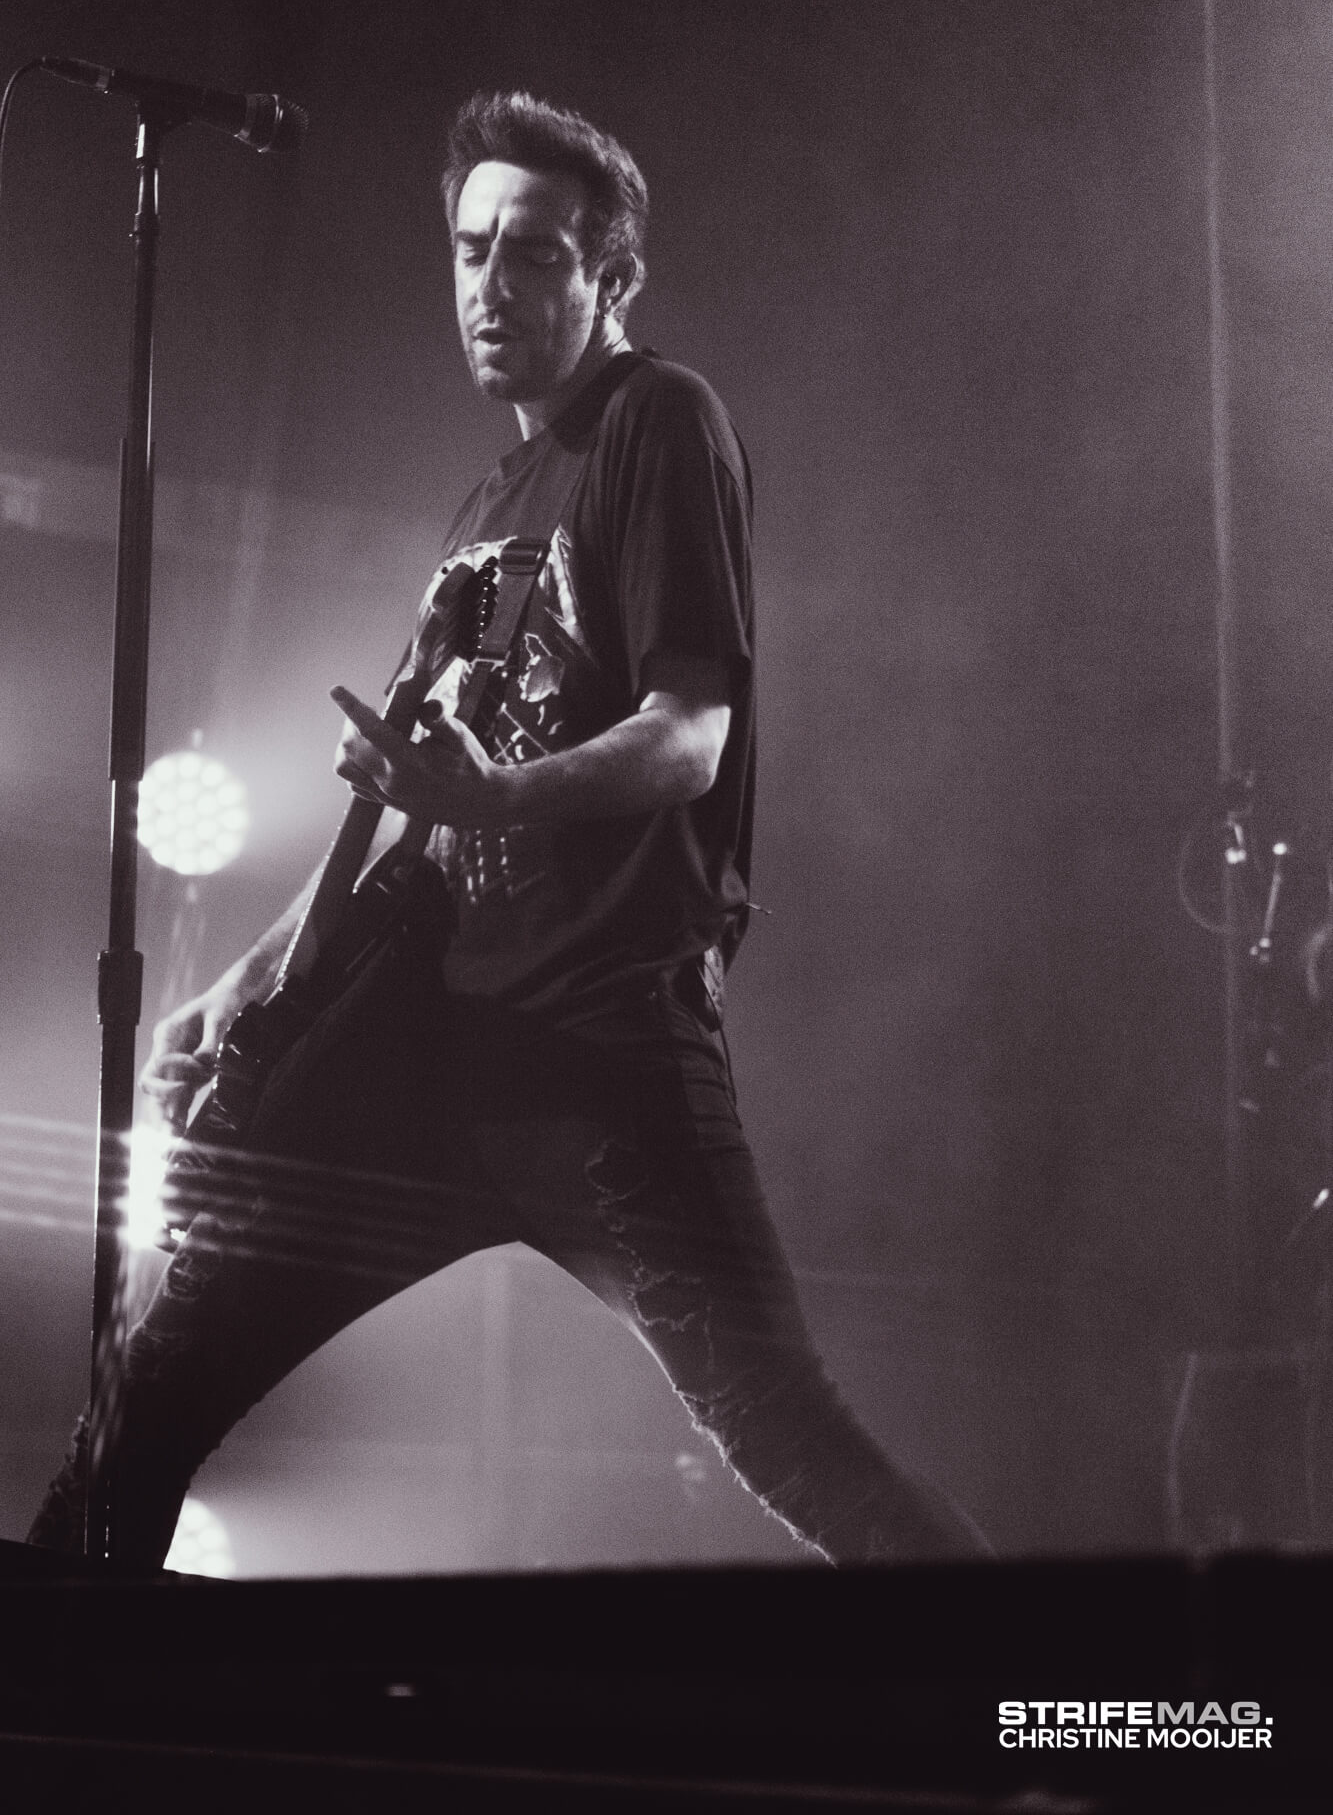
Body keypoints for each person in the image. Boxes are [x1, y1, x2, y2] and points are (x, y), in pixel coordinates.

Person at [30, 91, 988, 1569]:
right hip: (424, 1058)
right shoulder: (487, 499)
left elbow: (689, 734)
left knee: (785, 1434)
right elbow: (412, 817)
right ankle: (62, 1692)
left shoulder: (661, 421)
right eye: (471, 249)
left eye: (533, 253)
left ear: (612, 275)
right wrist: (248, 980)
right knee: (146, 1397)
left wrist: (502, 798)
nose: (491, 284)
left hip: (603, 1056)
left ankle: (1053, 1683)